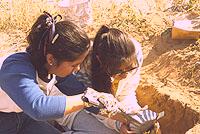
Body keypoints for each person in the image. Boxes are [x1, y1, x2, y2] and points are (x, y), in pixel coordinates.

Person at [0, 12, 116, 134]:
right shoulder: (16, 68)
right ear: (51, 59)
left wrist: (121, 121)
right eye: (74, 65)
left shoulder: (51, 68)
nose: (77, 69)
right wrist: (87, 99)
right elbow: (39, 108)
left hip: (23, 117)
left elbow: (83, 94)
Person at [50, 25, 163, 134]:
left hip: (96, 107)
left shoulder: (134, 53)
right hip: (69, 103)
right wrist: (118, 124)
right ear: (101, 64)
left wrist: (136, 119)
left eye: (130, 68)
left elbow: (125, 94)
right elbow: (94, 107)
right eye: (119, 72)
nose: (125, 76)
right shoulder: (82, 69)